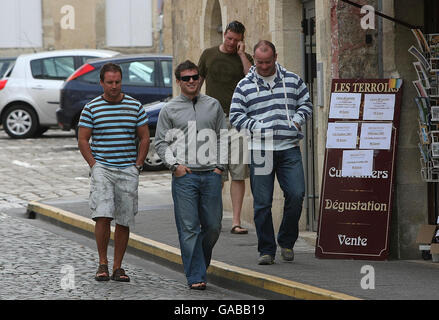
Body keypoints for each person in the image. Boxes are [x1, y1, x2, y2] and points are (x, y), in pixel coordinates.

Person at [230, 40, 313, 265]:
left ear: (275, 57)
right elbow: (236, 116)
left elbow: (306, 105)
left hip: (289, 149)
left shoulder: (293, 80)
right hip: (261, 150)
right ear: (254, 59)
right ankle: (266, 250)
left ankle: (286, 241)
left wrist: (296, 121)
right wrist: (258, 127)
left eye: (267, 62)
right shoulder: (244, 85)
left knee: (296, 195)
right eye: (259, 62)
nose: (263, 66)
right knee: (262, 203)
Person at [155, 60, 227, 290]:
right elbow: (160, 144)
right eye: (186, 78)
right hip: (184, 177)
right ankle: (196, 275)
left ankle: (199, 265)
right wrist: (175, 166)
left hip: (211, 175)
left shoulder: (213, 105)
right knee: (189, 228)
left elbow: (224, 137)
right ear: (178, 82)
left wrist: (220, 167)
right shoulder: (169, 109)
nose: (192, 81)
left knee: (213, 226)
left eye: (195, 77)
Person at [77, 62, 150, 282]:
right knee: (102, 214)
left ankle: (118, 267)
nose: (114, 86)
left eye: (117, 82)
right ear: (102, 83)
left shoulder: (134, 106)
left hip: (128, 168)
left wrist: (138, 164)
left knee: (124, 219)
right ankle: (102, 263)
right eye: (110, 82)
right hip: (103, 168)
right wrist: (94, 164)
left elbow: (145, 137)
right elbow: (82, 138)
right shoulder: (92, 108)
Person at [198, 20, 253, 235]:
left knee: (238, 172)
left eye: (236, 41)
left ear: (241, 41)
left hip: (239, 120)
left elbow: (252, 78)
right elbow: (198, 82)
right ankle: (214, 219)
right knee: (214, 172)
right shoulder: (208, 54)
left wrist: (241, 55)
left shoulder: (244, 58)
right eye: (229, 38)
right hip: (213, 120)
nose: (231, 43)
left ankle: (236, 221)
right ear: (224, 35)